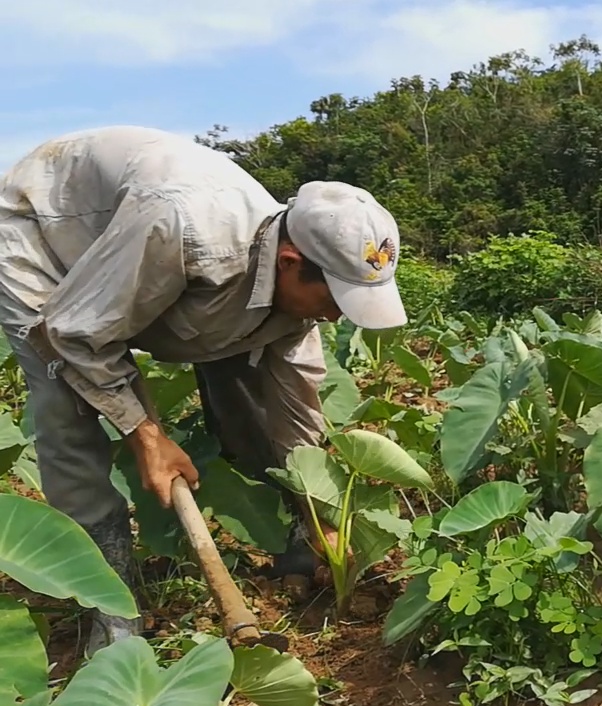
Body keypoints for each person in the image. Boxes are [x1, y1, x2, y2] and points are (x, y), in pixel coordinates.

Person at [0, 125, 407, 657]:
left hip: (149, 262)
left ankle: (295, 547)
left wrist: (320, 518)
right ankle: (111, 605)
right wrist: (147, 438)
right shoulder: (185, 230)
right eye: (334, 298)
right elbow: (77, 332)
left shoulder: (294, 285)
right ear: (289, 263)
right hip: (48, 238)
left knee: (251, 387)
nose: (336, 315)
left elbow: (294, 408)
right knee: (67, 405)